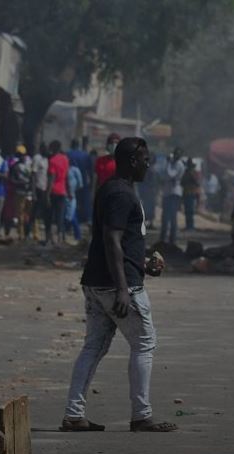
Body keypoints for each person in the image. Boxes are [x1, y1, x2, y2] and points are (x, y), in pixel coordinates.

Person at [61, 137, 177, 433]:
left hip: (97, 282)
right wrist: (123, 288)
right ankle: (141, 416)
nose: (148, 165)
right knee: (144, 343)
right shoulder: (121, 194)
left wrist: (143, 263)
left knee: (94, 347)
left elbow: (118, 242)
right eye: (145, 160)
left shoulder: (110, 189)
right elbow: (111, 240)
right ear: (132, 161)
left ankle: (74, 415)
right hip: (118, 286)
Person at [45, 140, 69, 244]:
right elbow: (66, 176)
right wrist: (68, 190)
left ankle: (49, 238)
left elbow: (51, 178)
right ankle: (60, 237)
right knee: (60, 216)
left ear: (53, 148)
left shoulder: (52, 160)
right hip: (62, 191)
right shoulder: (65, 159)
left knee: (50, 215)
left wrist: (47, 195)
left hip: (53, 191)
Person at [160, 147, 184, 244]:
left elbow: (170, 175)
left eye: (178, 153)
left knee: (172, 217)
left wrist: (168, 162)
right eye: (175, 153)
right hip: (167, 192)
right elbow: (163, 175)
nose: (176, 155)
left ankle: (172, 240)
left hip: (174, 193)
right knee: (165, 217)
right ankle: (163, 239)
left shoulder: (179, 164)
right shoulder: (171, 163)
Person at [9, 145, 33, 240]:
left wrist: (31, 187)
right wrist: (20, 183)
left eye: (23, 155)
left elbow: (33, 178)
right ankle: (21, 234)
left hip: (29, 193)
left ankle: (30, 233)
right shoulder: (15, 166)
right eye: (20, 155)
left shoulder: (30, 165)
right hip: (19, 192)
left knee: (29, 214)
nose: (22, 156)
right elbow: (11, 179)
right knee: (20, 214)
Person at [67, 139, 93, 225]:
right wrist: (91, 183)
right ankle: (85, 218)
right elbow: (90, 170)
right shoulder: (85, 155)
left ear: (71, 144)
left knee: (71, 200)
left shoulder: (68, 154)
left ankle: (70, 218)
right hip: (83, 180)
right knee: (84, 200)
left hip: (70, 181)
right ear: (78, 145)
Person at [28, 143, 49, 242]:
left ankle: (44, 236)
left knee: (45, 213)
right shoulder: (37, 158)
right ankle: (28, 233)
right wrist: (33, 192)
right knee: (33, 213)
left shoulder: (47, 160)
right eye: (45, 148)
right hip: (38, 188)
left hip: (45, 189)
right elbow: (33, 175)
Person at [137, 153, 158, 229]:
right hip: (148, 191)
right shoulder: (148, 169)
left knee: (150, 207)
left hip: (150, 191)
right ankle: (147, 223)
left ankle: (150, 223)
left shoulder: (151, 169)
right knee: (147, 207)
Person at [65, 158, 84, 241]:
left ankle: (77, 235)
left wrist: (73, 191)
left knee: (71, 216)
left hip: (72, 195)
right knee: (69, 215)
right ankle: (68, 233)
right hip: (64, 195)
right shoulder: (65, 169)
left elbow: (80, 184)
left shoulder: (75, 170)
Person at [181, 158, 200, 231]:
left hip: (191, 193)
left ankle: (191, 227)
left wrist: (190, 175)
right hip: (186, 193)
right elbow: (182, 182)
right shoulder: (186, 173)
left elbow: (197, 183)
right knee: (187, 211)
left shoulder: (193, 173)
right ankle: (188, 226)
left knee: (190, 211)